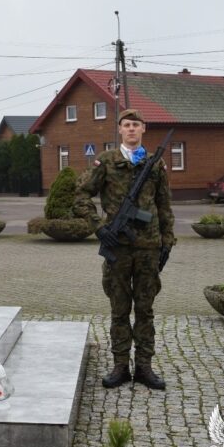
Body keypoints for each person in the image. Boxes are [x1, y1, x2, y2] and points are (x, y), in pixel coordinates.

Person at [73, 109, 175, 390]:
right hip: (117, 246)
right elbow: (81, 194)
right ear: (120, 130)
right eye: (126, 125)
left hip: (148, 247)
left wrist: (168, 240)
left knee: (145, 309)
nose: (131, 129)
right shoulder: (106, 161)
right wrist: (98, 227)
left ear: (143, 129)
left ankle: (144, 367)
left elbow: (164, 205)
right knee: (119, 309)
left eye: (136, 125)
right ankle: (120, 366)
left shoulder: (155, 164)